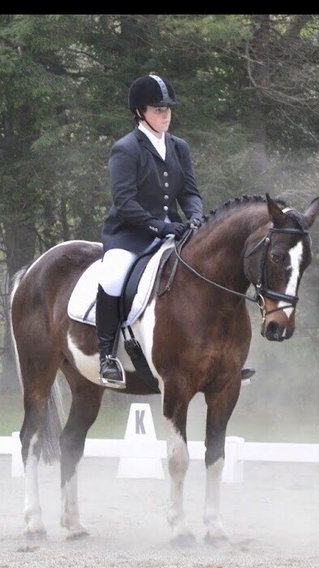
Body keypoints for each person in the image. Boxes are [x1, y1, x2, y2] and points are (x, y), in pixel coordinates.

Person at [96, 73, 204, 387]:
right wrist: (160, 226)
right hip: (130, 235)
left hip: (174, 233)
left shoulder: (179, 147)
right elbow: (125, 202)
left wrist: (195, 217)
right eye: (159, 109)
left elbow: (190, 193)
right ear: (141, 112)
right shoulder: (126, 149)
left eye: (168, 109)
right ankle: (106, 356)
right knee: (113, 276)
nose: (166, 115)